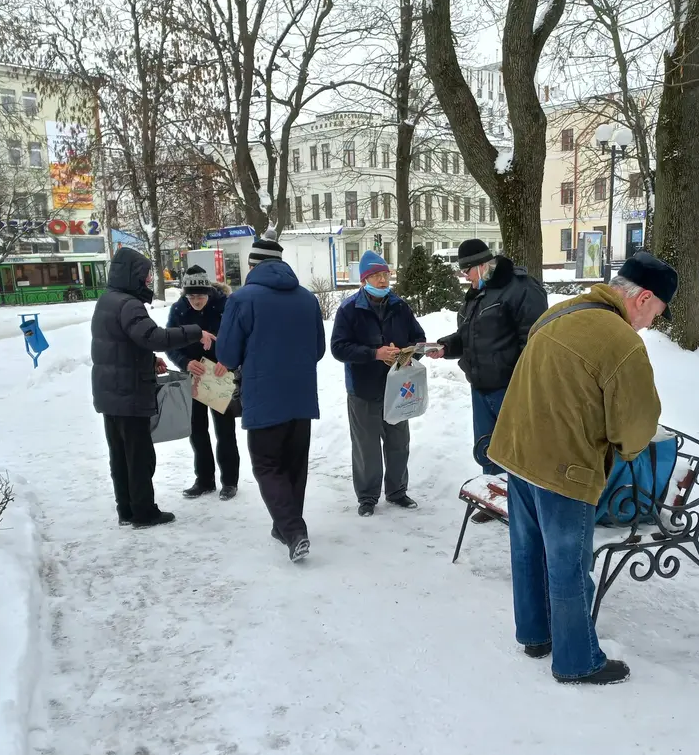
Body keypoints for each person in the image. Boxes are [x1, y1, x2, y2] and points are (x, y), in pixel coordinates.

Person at [486, 251, 678, 686]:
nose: (652, 324)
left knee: (527, 550)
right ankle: (576, 660)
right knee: (569, 564)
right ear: (643, 298)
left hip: (519, 453)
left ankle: (536, 635)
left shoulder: (561, 311)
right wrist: (626, 451)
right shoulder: (622, 342)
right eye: (657, 313)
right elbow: (636, 427)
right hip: (564, 468)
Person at [216, 229, 325, 562]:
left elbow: (227, 355)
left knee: (266, 465)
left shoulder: (242, 299)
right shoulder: (307, 298)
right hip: (302, 397)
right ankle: (285, 526)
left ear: (252, 266)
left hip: (263, 397)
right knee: (294, 465)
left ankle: (293, 531)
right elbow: (318, 349)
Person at [91, 247, 214, 529]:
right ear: (133, 275)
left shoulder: (107, 300)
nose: (148, 281)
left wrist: (147, 360)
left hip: (111, 393)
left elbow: (123, 344)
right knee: (139, 455)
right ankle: (145, 512)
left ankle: (127, 510)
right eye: (145, 276)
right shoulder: (129, 304)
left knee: (120, 455)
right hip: (129, 393)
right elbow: (154, 336)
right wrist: (196, 331)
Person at [426, 238, 548, 522]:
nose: (464, 276)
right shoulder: (478, 293)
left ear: (482, 265)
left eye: (467, 270)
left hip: (510, 387)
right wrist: (445, 347)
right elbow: (470, 336)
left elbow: (534, 343)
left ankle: (524, 505)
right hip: (481, 385)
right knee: (488, 447)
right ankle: (494, 497)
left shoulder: (522, 289)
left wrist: (522, 385)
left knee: (517, 449)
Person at [331, 250, 426, 518]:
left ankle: (397, 491)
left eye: (385, 275)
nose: (383, 281)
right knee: (366, 446)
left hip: (397, 389)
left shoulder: (400, 306)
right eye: (376, 276)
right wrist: (375, 353)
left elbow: (418, 338)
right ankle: (367, 497)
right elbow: (338, 348)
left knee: (398, 443)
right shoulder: (349, 309)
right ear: (364, 280)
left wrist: (409, 352)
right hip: (363, 390)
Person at [166, 265, 241, 501]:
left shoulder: (226, 305)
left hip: (219, 375)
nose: (196, 301)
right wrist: (185, 363)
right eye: (191, 296)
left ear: (209, 292)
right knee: (197, 430)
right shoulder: (179, 310)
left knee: (224, 430)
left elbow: (239, 337)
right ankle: (204, 480)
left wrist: (227, 363)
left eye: (200, 296)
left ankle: (229, 481)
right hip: (194, 375)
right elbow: (171, 343)